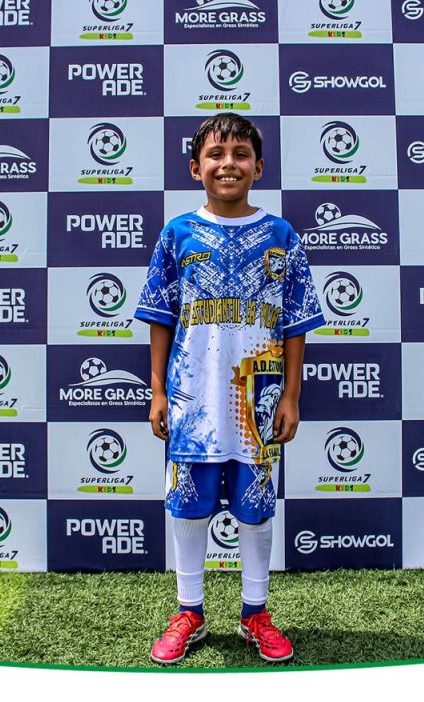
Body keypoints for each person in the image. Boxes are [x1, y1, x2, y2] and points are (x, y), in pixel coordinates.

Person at [134, 113, 325, 665]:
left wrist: (290, 396)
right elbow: (160, 318)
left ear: (258, 168)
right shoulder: (177, 233)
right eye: (216, 155)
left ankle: (255, 613)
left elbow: (294, 324)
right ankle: (189, 611)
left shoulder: (281, 236)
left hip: (256, 400)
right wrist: (158, 391)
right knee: (189, 504)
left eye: (241, 154)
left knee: (255, 507)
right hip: (193, 397)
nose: (228, 164)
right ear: (196, 168)